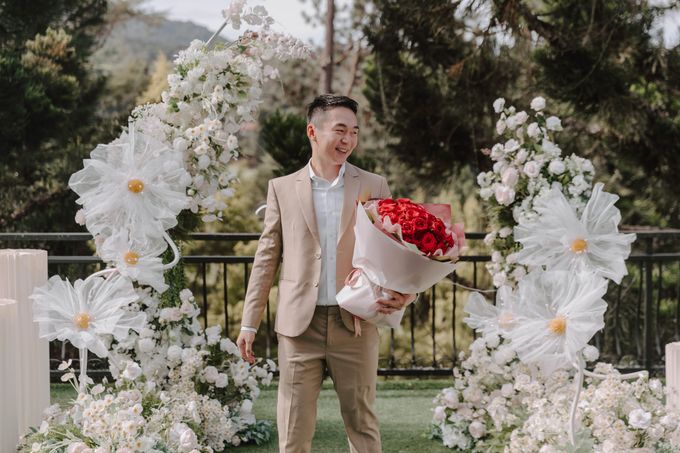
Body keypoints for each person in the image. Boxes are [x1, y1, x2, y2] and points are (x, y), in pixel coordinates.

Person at [236, 94, 415, 452]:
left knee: (362, 427)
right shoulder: (282, 188)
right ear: (313, 132)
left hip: (356, 325)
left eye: (354, 132)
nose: (348, 139)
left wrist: (408, 293)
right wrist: (248, 323)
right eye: (339, 130)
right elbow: (267, 257)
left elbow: (400, 249)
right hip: (299, 329)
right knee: (293, 430)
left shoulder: (373, 186)